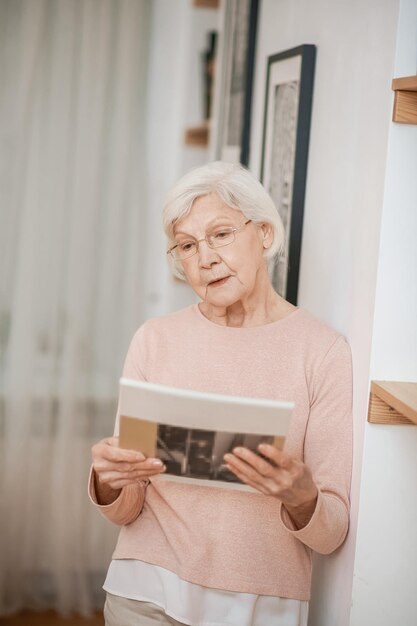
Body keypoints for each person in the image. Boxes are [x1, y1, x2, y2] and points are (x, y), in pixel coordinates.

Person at [89, 161, 352, 626]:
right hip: (145, 590)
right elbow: (127, 507)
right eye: (187, 245)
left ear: (265, 234)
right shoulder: (155, 339)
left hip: (261, 605)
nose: (205, 257)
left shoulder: (323, 351)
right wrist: (110, 479)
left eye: (221, 235)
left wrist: (302, 496)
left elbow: (331, 532)